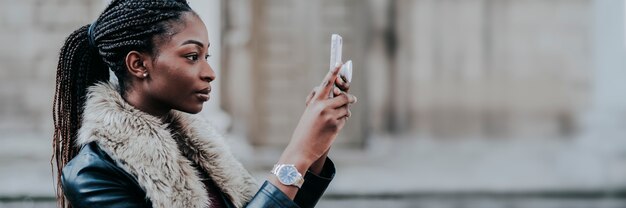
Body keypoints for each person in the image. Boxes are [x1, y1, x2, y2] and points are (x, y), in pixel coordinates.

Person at [52, 0, 357, 207]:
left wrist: (317, 144)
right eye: (192, 56)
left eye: (206, 56)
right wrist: (297, 153)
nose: (209, 73)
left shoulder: (198, 149)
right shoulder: (93, 175)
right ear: (138, 64)